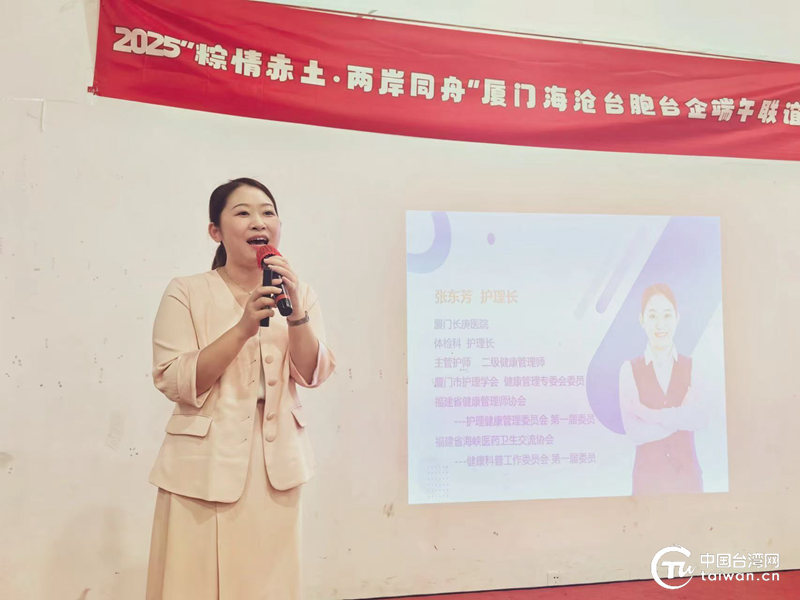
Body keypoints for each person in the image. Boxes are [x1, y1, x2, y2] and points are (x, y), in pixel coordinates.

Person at [145, 177, 336, 599]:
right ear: (215, 231)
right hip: (202, 465)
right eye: (243, 213)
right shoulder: (187, 291)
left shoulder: (299, 293)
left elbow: (313, 373)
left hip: (276, 465)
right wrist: (243, 327)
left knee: (268, 585)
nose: (259, 222)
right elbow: (175, 379)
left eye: (268, 212)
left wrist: (297, 314)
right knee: (193, 583)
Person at [618, 283, 707, 496]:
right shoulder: (628, 369)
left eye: (667, 315)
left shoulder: (694, 366)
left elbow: (700, 419)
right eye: (652, 316)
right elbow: (635, 433)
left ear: (677, 318)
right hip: (647, 484)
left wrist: (650, 415)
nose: (660, 324)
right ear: (642, 320)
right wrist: (680, 416)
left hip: (688, 482)